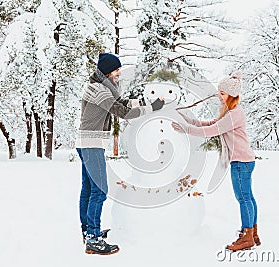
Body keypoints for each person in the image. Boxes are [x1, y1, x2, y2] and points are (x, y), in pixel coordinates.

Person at [76, 53, 165, 255]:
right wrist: (152, 108)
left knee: (89, 189)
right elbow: (122, 112)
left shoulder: (101, 86)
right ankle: (92, 238)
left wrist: (142, 102)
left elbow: (122, 103)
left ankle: (89, 231)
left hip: (87, 144)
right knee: (100, 190)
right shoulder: (99, 90)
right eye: (116, 70)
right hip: (91, 145)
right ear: (108, 71)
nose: (119, 73)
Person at [171, 71, 260, 251]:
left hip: (241, 162)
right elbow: (213, 124)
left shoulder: (234, 114)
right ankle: (252, 233)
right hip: (245, 161)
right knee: (247, 197)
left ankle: (247, 235)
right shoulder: (232, 112)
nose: (219, 96)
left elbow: (212, 131)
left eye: (222, 93)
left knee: (243, 198)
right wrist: (191, 122)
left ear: (232, 94)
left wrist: (186, 129)